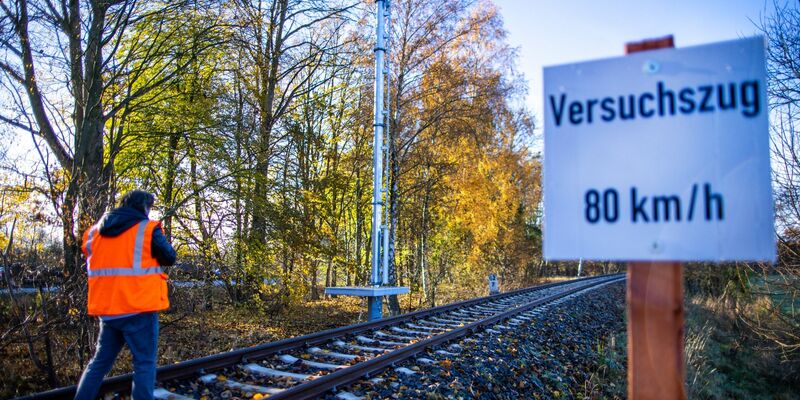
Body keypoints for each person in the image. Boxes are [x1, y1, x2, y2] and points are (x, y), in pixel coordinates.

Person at [74, 190, 176, 400]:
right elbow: (169, 257)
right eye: (149, 207)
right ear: (144, 207)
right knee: (144, 363)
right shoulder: (146, 229)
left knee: (99, 363)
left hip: (109, 310)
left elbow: (95, 256)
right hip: (138, 308)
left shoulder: (94, 233)